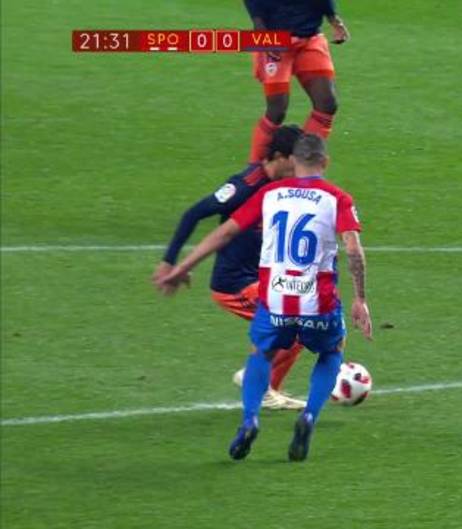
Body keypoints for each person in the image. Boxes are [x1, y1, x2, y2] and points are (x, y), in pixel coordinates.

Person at [156, 134, 373, 462]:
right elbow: (354, 249)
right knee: (331, 351)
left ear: (295, 162)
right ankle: (309, 417)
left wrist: (180, 266)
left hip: (275, 298)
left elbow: (224, 232)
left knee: (261, 354)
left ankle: (249, 420)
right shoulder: (337, 198)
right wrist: (360, 299)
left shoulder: (269, 194)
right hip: (317, 299)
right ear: (324, 163)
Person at [153, 125, 307, 410]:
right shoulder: (245, 185)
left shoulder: (285, 186)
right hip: (233, 283)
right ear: (279, 156)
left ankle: (266, 387)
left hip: (261, 278)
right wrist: (170, 261)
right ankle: (256, 382)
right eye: (295, 159)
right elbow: (194, 214)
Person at [244, 0, 349, 164]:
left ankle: (305, 164)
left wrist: (334, 19)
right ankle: (255, 170)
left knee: (326, 103)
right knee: (277, 110)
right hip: (275, 38)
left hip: (310, 37)